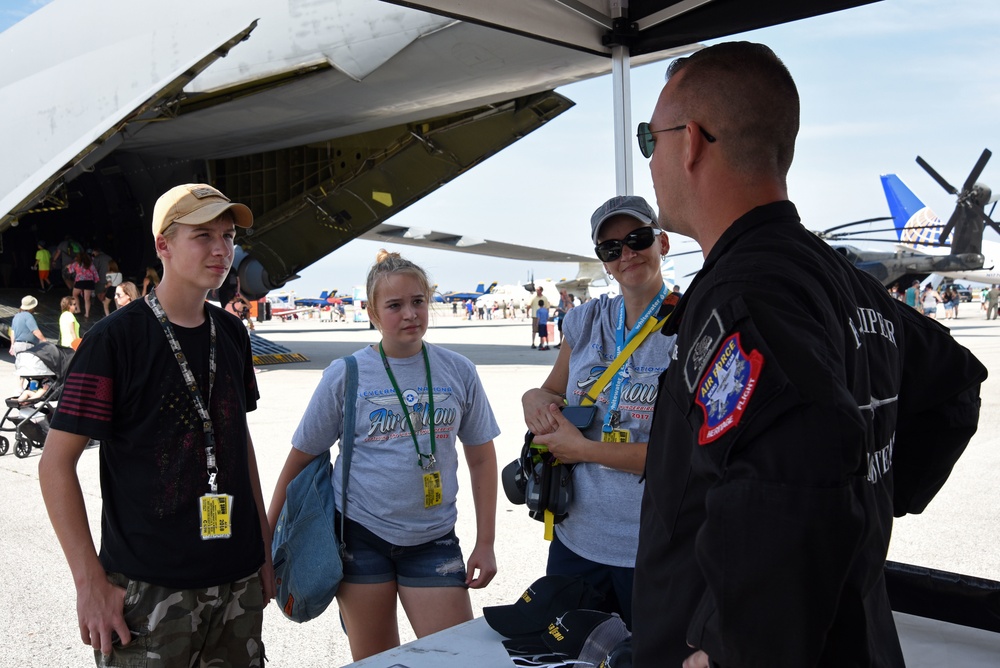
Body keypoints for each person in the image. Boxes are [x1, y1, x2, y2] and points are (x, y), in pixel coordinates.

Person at [633, 42, 987, 667]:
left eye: (648, 138)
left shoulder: (747, 295)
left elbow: (794, 470)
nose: (650, 160)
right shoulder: (835, 277)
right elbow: (952, 386)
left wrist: (730, 646)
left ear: (688, 141)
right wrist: (866, 508)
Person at [38, 183, 273, 666]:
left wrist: (264, 550)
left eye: (228, 236)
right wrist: (90, 585)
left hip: (238, 581)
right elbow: (54, 465)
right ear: (163, 245)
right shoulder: (113, 341)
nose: (221, 250)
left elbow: (237, 441)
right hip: (148, 591)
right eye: (203, 235)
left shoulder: (231, 332)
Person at [268, 250, 499, 661]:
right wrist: (267, 541)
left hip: (434, 539)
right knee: (377, 661)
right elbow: (300, 459)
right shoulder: (346, 375)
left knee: (460, 658)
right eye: (395, 305)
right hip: (360, 539)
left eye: (418, 301)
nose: (410, 314)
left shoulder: (459, 371)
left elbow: (481, 457)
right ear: (372, 313)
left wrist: (486, 542)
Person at [521, 195, 675, 630]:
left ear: (662, 243)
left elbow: (681, 453)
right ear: (603, 262)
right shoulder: (585, 321)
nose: (626, 254)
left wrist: (583, 449)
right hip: (577, 542)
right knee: (569, 655)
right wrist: (532, 399)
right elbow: (551, 388)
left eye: (637, 239)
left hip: (650, 547)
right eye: (611, 249)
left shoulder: (690, 324)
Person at [66, 251, 100, 319]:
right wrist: (96, 280)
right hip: (89, 282)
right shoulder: (90, 264)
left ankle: (78, 309)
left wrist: (68, 267)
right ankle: (87, 314)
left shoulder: (76, 264)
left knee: (75, 295)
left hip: (80, 281)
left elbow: (70, 271)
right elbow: (95, 272)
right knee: (87, 299)